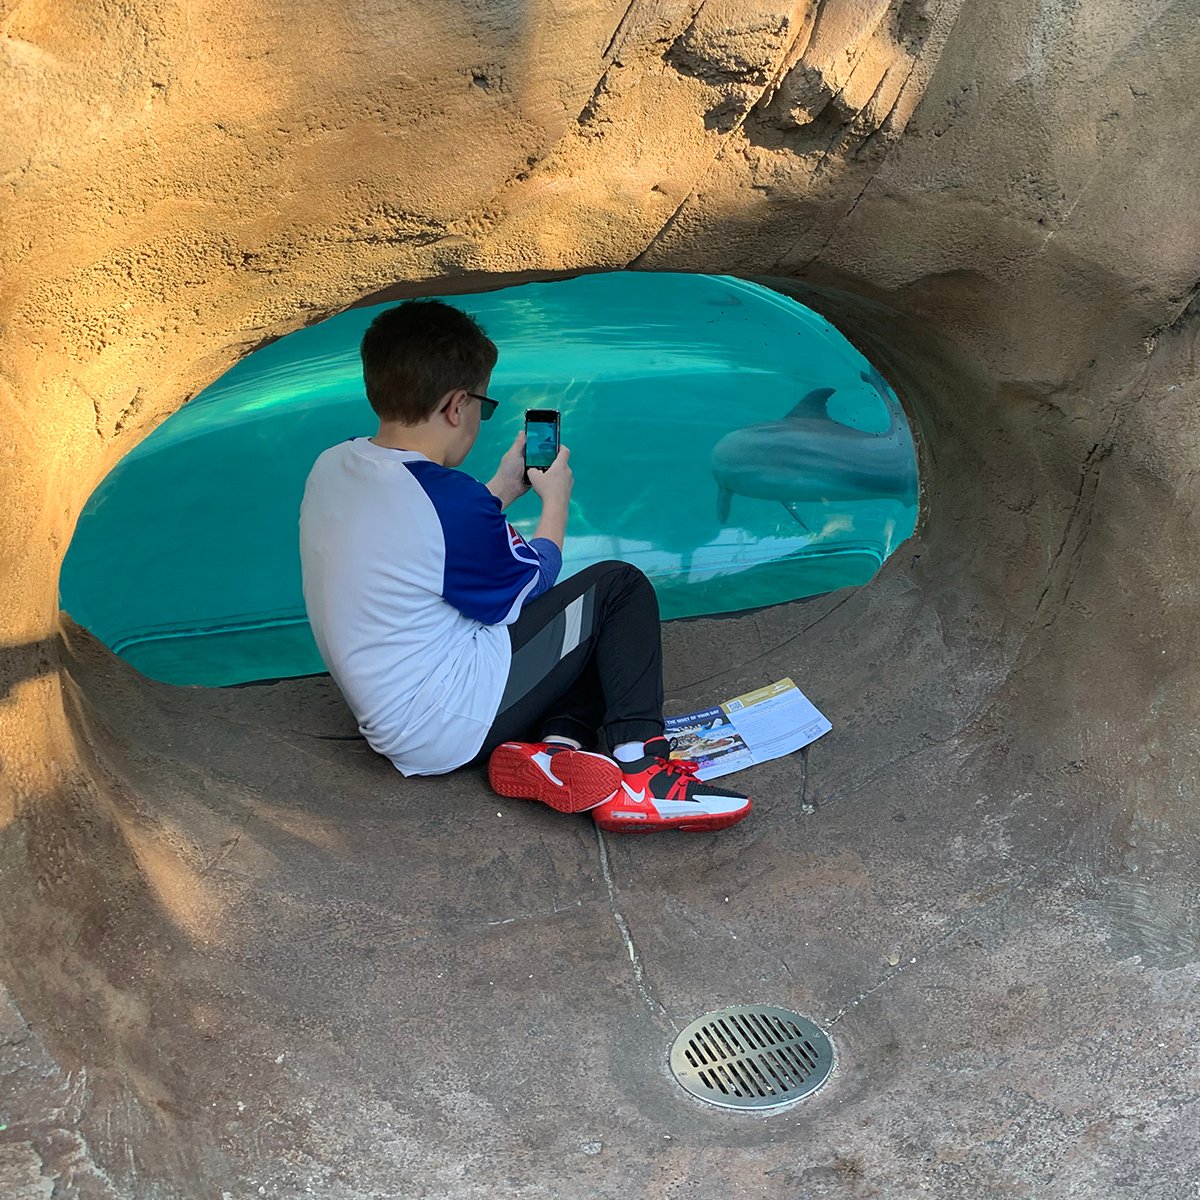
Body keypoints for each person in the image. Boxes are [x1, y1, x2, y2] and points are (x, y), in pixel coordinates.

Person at [298, 300, 752, 833]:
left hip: (392, 715)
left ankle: (555, 750)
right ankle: (641, 774)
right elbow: (534, 582)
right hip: (446, 722)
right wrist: (554, 499)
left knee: (586, 641)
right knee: (616, 590)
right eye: (482, 408)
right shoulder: (450, 500)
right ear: (456, 406)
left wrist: (502, 491)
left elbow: (428, 545)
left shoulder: (335, 464)